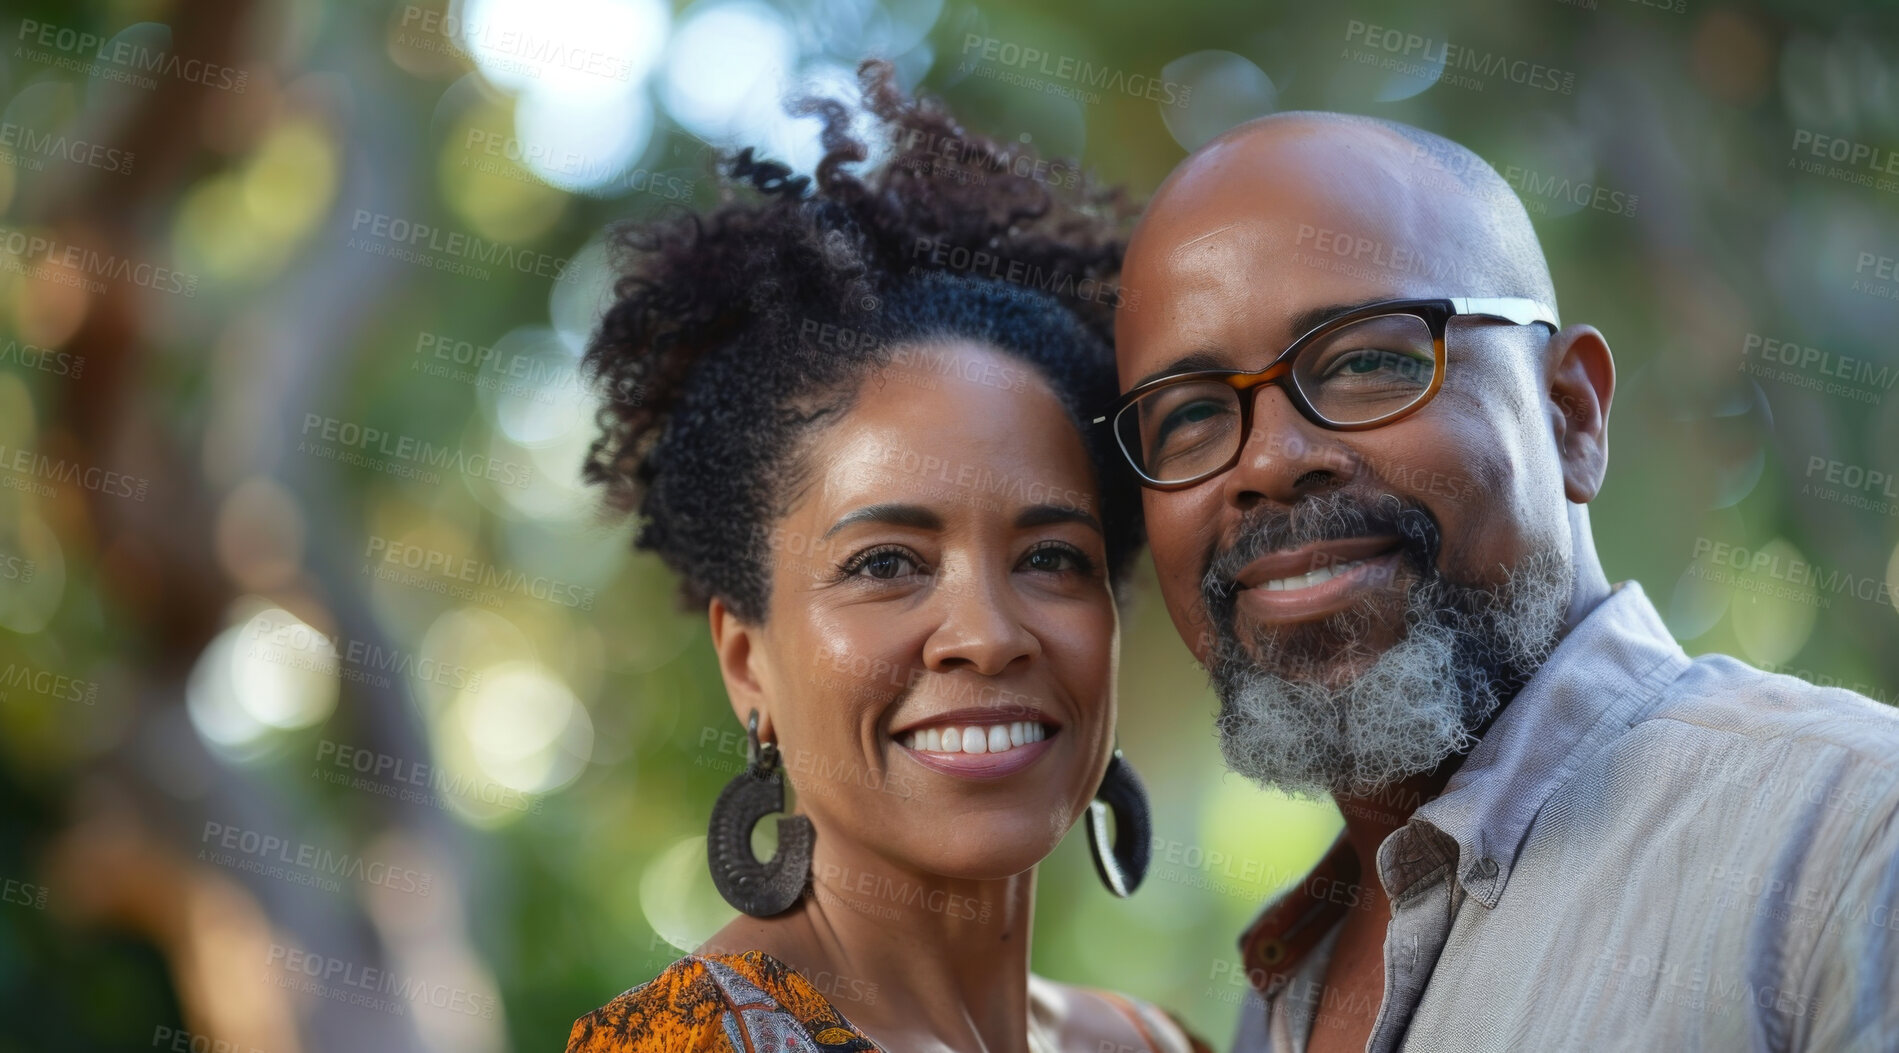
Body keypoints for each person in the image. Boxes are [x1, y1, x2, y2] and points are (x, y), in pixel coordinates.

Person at [1109, 110, 1899, 1052]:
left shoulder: (1848, 836)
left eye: (1366, 360)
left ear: (1571, 416)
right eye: (1188, 415)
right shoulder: (1279, 991)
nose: (1269, 462)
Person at [564, 63, 1208, 1053]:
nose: (988, 636)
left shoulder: (1155, 1042)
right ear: (747, 663)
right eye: (883, 564)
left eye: (1052, 557)